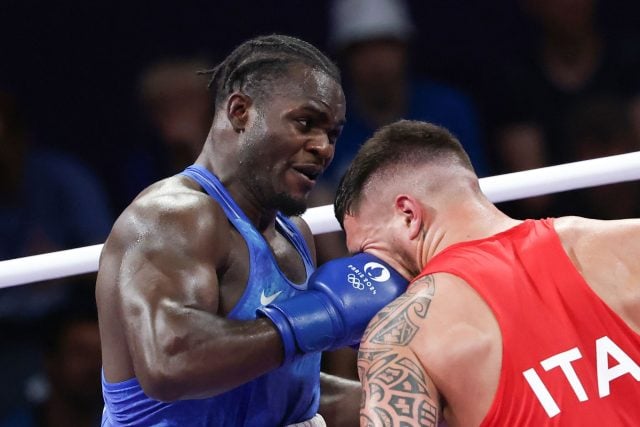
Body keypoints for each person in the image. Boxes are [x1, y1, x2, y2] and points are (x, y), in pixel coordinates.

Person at [96, 34, 409, 427]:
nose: (323, 148)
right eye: (306, 122)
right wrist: (323, 317)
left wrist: (415, 398)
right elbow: (170, 361)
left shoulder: (293, 232)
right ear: (240, 110)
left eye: (333, 134)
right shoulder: (171, 216)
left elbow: (280, 388)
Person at [334, 120, 640, 425]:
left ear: (408, 215)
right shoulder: (625, 242)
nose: (371, 270)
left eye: (367, 251)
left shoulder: (401, 333)